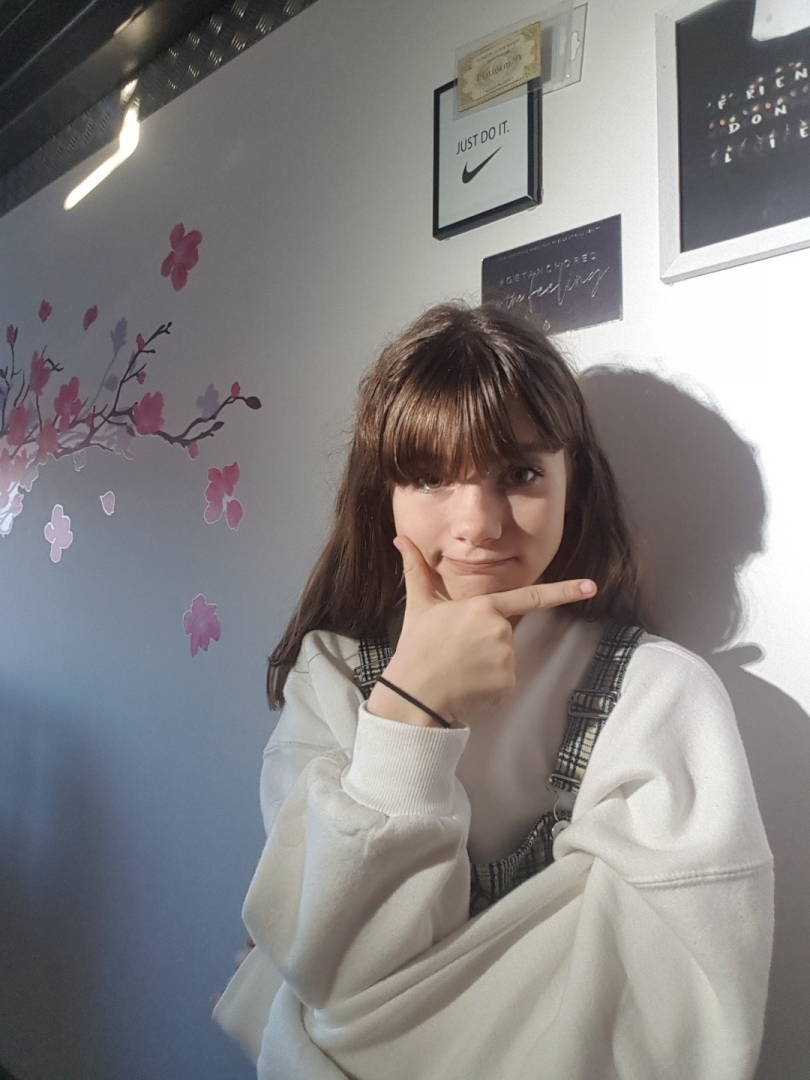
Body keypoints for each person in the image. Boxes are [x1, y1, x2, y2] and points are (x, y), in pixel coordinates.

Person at [213, 303, 773, 1080]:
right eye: (430, 476)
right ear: (384, 495)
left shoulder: (663, 697)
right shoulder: (332, 677)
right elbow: (331, 971)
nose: (476, 523)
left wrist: (333, 1010)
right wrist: (412, 709)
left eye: (519, 474)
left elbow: (680, 1034)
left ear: (573, 484)